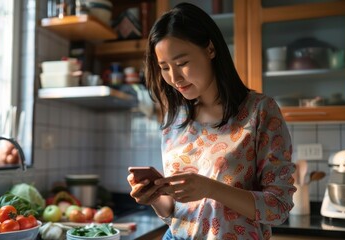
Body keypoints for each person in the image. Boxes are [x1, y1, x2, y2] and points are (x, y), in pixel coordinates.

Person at [127, 2, 296, 239]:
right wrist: (154, 197)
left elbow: (278, 207)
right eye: (164, 68)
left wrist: (210, 188)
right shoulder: (175, 120)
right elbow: (175, 212)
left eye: (182, 63)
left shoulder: (259, 111)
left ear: (210, 49)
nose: (174, 78)